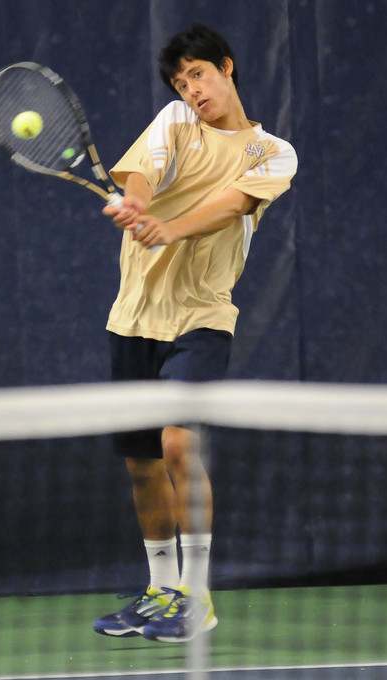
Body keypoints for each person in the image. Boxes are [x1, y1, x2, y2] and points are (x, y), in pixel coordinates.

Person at [92, 24, 298, 643]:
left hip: (202, 315)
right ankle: (160, 590)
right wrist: (137, 203)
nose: (192, 89)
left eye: (199, 74)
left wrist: (167, 228)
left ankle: (198, 597)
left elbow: (234, 204)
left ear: (227, 68)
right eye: (182, 81)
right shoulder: (173, 122)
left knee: (179, 444)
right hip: (133, 314)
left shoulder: (273, 151)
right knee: (142, 463)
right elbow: (142, 176)